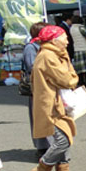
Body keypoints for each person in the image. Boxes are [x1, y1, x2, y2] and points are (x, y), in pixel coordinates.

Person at [29, 25, 82, 171]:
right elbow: (67, 79)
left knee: (67, 135)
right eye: (64, 37)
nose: (67, 41)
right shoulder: (48, 56)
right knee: (62, 140)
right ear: (54, 39)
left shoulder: (54, 54)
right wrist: (73, 76)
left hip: (57, 104)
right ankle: (42, 170)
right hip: (51, 106)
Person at [22, 21, 50, 158]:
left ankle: (49, 145)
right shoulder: (30, 47)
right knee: (38, 117)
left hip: (47, 87)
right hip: (37, 88)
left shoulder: (45, 47)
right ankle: (42, 147)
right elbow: (32, 67)